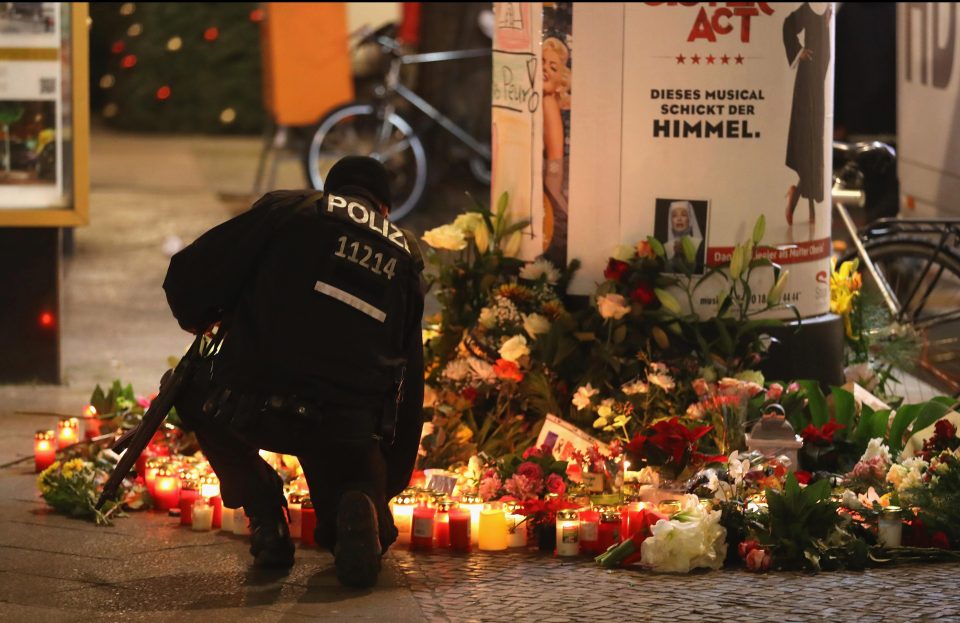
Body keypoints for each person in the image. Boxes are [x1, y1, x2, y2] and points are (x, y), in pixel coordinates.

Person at [163, 156, 425, 588]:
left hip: (254, 401)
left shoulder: (291, 210)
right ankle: (356, 504)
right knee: (349, 479)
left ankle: (267, 518)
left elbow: (191, 273)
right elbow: (409, 383)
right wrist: (389, 480)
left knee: (191, 390)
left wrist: (202, 313)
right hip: (347, 424)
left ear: (330, 191)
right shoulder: (406, 258)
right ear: (385, 212)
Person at [783, 3, 832, 226]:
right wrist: (798, 50)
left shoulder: (825, 8)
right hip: (808, 84)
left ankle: (804, 198)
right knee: (809, 142)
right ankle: (808, 206)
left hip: (819, 84)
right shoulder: (809, 8)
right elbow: (787, 25)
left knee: (816, 142)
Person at [542, 36, 571, 267]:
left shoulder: (548, 102)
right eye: (542, 62)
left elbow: (554, 163)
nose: (544, 69)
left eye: (553, 67)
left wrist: (556, 205)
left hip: (551, 189)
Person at [664, 200, 704, 274]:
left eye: (683, 215)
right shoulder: (665, 248)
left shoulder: (699, 245)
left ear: (690, 219)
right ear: (671, 221)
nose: (679, 219)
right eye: (675, 215)